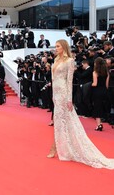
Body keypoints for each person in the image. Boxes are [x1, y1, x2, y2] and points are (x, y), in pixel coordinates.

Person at [47, 39, 114, 169]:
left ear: (64, 47)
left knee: (66, 121)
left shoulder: (69, 61)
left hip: (64, 94)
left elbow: (69, 81)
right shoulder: (56, 60)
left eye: (58, 46)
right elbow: (53, 78)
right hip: (56, 94)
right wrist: (54, 96)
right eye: (55, 46)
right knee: (58, 121)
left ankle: (61, 148)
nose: (56, 48)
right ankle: (59, 147)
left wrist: (68, 99)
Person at [91, 57, 109, 131]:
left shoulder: (95, 72)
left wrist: (90, 84)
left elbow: (95, 84)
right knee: (102, 107)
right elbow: (107, 85)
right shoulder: (107, 73)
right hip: (104, 91)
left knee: (97, 108)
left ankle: (99, 125)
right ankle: (101, 123)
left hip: (97, 91)